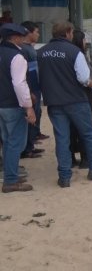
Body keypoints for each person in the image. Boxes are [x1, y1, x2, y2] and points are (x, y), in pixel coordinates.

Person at [37, 21, 92, 188]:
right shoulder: (74, 51)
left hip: (54, 102)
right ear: (69, 33)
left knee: (62, 138)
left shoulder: (41, 53)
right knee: (89, 134)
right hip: (75, 100)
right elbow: (84, 79)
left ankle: (64, 176)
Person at [0, 23, 36, 193]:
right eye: (21, 36)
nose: (23, 39)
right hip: (13, 104)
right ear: (14, 37)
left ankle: (10, 174)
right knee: (15, 143)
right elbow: (19, 84)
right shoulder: (17, 56)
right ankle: (10, 180)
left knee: (7, 141)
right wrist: (28, 107)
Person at [20, 21, 46, 159]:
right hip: (31, 89)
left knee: (35, 116)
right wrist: (29, 91)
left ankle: (30, 145)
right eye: (36, 31)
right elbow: (24, 74)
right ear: (28, 32)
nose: (38, 34)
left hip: (35, 87)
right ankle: (26, 149)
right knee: (29, 119)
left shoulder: (29, 48)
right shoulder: (23, 49)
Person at [69, 29, 92, 169]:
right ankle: (85, 158)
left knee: (70, 127)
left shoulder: (69, 54)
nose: (85, 42)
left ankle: (71, 157)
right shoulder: (79, 55)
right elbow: (84, 79)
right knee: (85, 126)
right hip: (82, 94)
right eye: (84, 40)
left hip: (68, 95)